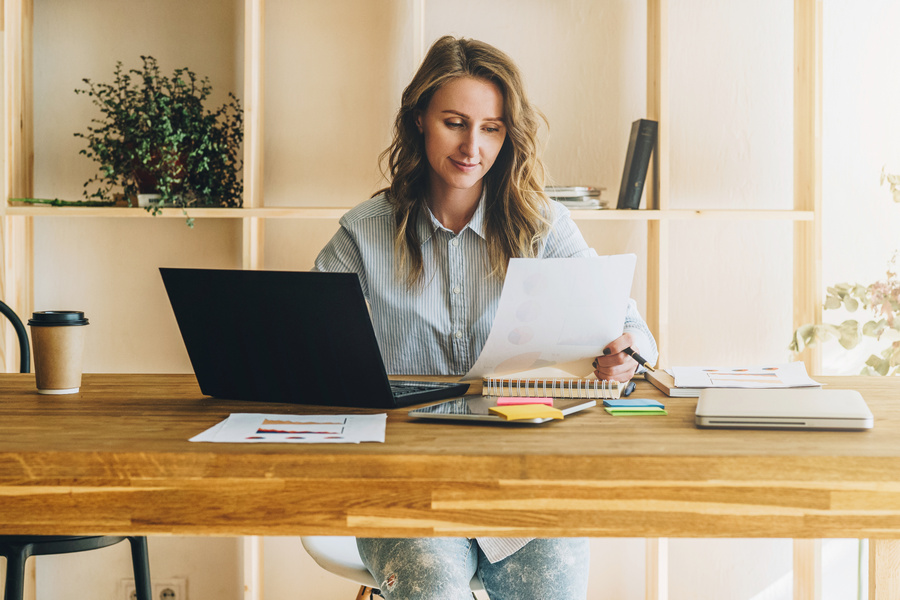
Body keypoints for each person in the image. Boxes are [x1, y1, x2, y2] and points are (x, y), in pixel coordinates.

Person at [314, 35, 658, 600]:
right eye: (454, 122)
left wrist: (623, 357)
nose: (472, 145)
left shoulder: (544, 225)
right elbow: (306, 341)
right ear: (419, 118)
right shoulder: (364, 229)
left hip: (523, 476)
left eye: (492, 128)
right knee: (433, 587)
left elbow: (635, 333)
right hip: (404, 480)